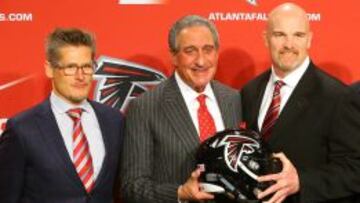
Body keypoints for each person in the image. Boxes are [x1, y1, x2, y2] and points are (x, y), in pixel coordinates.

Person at [240, 3, 360, 203]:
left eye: (298, 35)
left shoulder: (338, 97)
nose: (289, 44)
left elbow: (354, 169)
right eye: (279, 35)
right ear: (265, 39)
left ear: (309, 39)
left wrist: (301, 182)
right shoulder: (249, 91)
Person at [120, 15, 242, 203]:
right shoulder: (145, 107)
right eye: (190, 51)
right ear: (174, 57)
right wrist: (179, 193)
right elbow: (132, 186)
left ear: (217, 53)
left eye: (208, 50)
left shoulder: (233, 99)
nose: (201, 61)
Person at [0, 28, 124, 203]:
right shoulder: (22, 129)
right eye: (71, 67)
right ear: (50, 69)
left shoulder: (114, 121)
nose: (80, 76)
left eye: (87, 67)